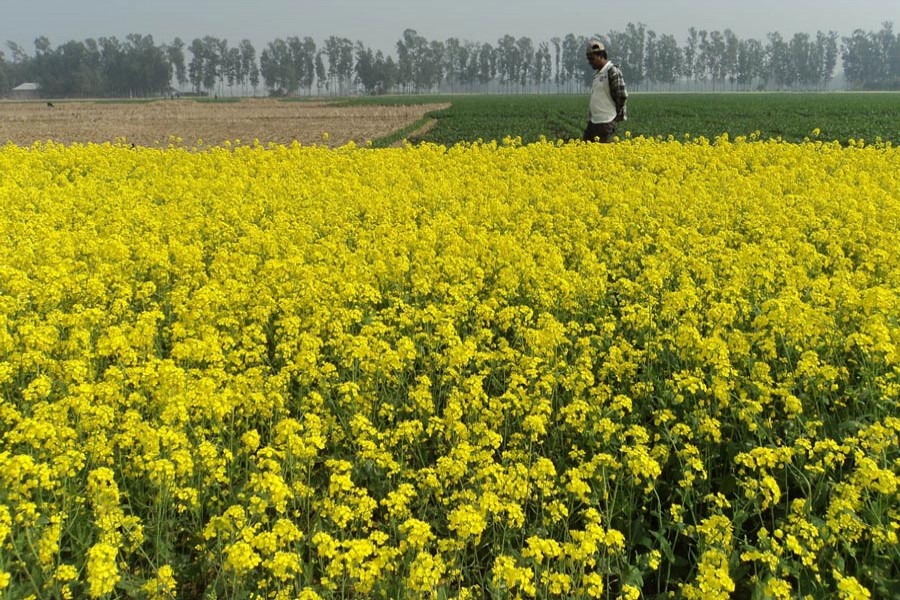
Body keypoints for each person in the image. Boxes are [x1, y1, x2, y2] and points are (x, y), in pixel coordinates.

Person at [583, 39, 628, 143]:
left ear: (601, 56)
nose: (590, 62)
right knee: (585, 151)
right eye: (588, 59)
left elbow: (621, 95)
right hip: (594, 121)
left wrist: (615, 115)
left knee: (602, 153)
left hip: (606, 122)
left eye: (592, 59)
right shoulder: (598, 74)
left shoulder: (612, 71)